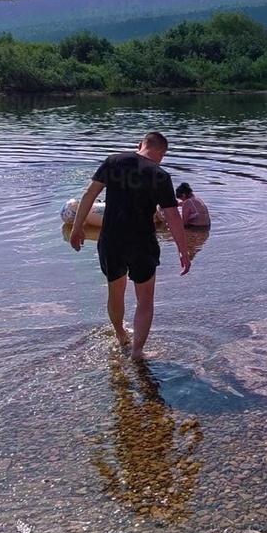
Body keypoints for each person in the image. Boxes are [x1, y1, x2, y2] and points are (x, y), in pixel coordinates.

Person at [69, 131, 191, 361]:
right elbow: (173, 217)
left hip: (111, 239)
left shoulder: (113, 161)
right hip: (141, 242)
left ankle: (120, 335)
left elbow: (89, 195)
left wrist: (77, 228)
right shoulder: (160, 174)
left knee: (115, 293)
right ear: (162, 154)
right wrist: (183, 251)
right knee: (144, 301)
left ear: (140, 145)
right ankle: (137, 352)